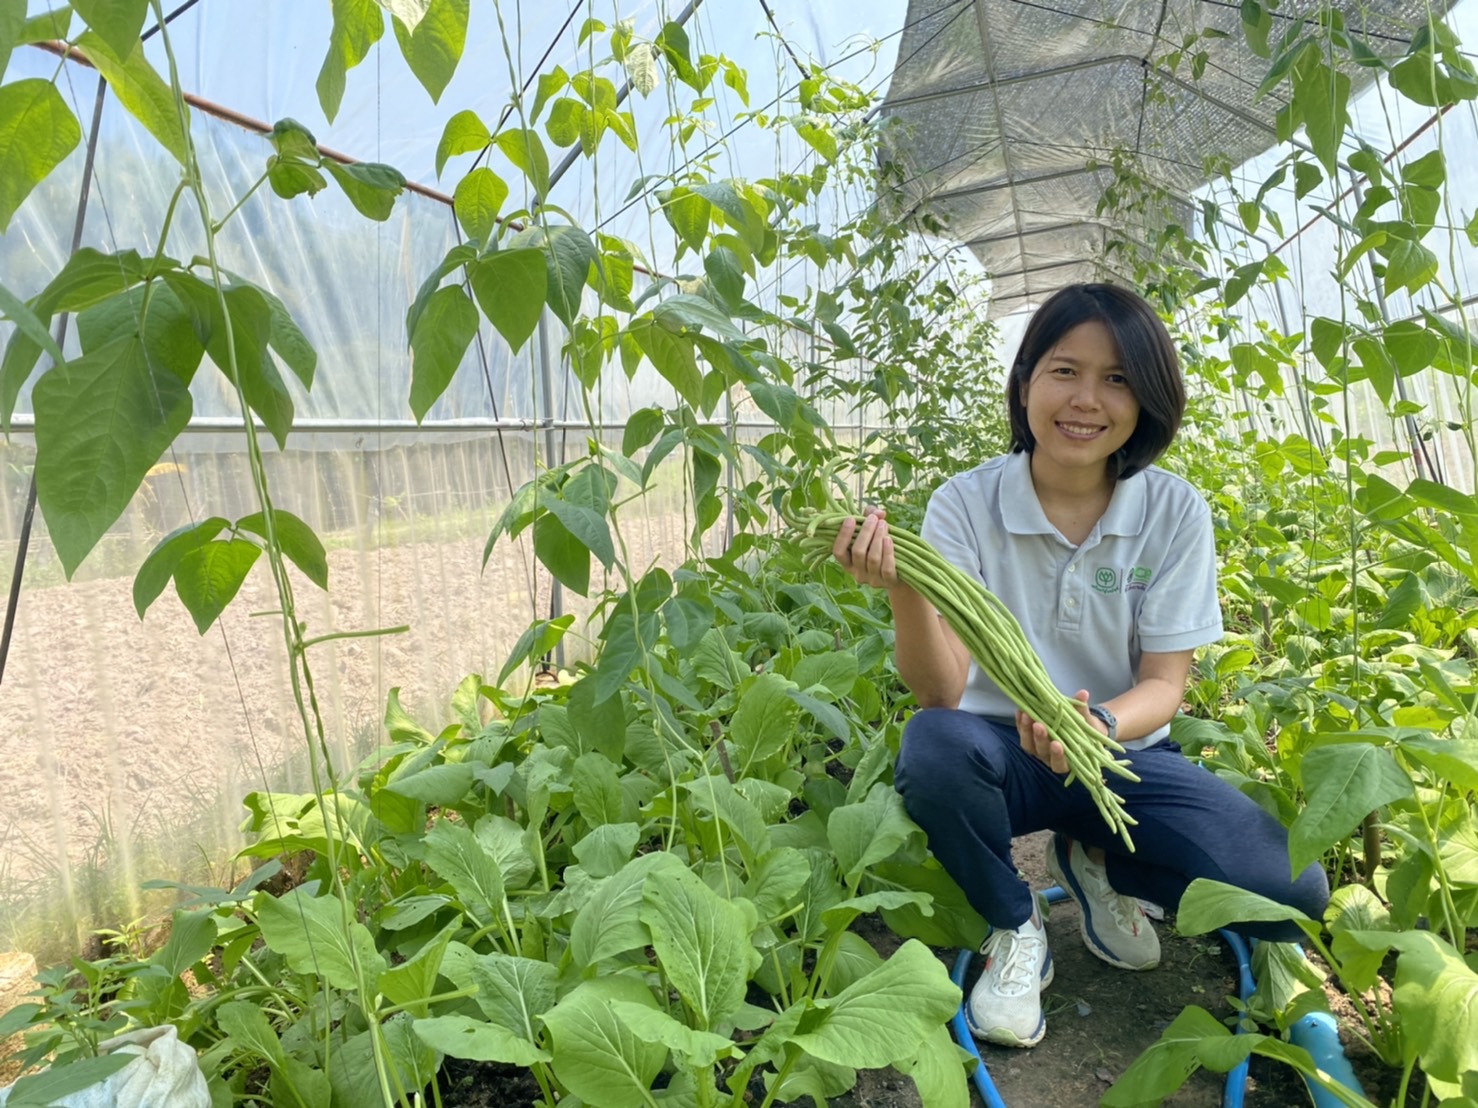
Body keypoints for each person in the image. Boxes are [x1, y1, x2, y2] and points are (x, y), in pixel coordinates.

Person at [831, 283, 1328, 1048]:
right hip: (997, 756)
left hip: (1120, 751)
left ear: (1147, 399)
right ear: (1025, 381)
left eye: (1118, 378)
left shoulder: (1172, 512)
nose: (1086, 400)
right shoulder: (966, 504)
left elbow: (1164, 684)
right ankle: (1013, 920)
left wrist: (1094, 725)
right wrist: (905, 587)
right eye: (1065, 370)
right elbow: (940, 690)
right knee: (932, 746)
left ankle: (1097, 861)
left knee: (1292, 891)